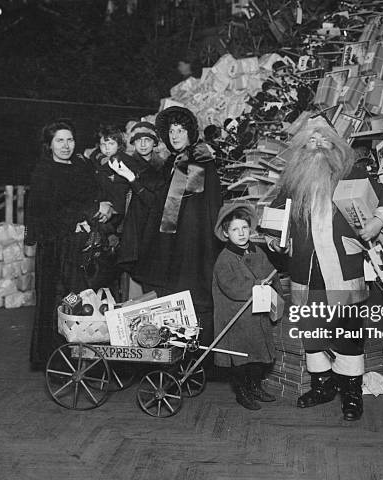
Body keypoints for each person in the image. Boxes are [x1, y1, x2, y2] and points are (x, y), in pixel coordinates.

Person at [270, 119, 383, 420]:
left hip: (343, 266)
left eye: (323, 139)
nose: (317, 145)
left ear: (335, 145)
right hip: (305, 271)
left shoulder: (352, 173)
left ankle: (352, 393)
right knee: (311, 330)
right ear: (302, 148)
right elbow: (276, 216)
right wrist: (274, 238)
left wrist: (376, 222)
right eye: (310, 140)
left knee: (347, 333)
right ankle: (322, 385)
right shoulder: (293, 182)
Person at [25, 118, 113, 371]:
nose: (66, 145)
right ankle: (59, 361)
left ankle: (89, 359)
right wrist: (86, 213)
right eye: (59, 140)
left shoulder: (81, 166)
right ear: (49, 145)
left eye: (70, 139)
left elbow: (94, 195)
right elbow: (46, 214)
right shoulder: (43, 172)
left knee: (86, 299)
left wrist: (102, 207)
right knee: (60, 300)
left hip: (81, 246)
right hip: (56, 249)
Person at [139, 106, 222, 348]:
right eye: (171, 131)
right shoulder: (174, 162)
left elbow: (190, 206)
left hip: (193, 242)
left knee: (191, 297)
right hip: (177, 241)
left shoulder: (198, 159)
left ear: (190, 132)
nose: (175, 136)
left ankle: (190, 356)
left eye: (180, 130)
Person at [212, 204, 281, 410]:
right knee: (241, 357)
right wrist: (255, 285)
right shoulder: (224, 259)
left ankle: (254, 385)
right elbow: (231, 287)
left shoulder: (256, 250)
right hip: (236, 316)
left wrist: (272, 286)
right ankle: (242, 391)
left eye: (244, 228)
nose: (241, 234)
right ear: (225, 233)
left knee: (259, 355)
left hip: (256, 313)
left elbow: (271, 273)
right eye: (235, 230)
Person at [109, 122, 167, 278]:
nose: (142, 144)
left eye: (147, 140)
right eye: (138, 140)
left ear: (154, 143)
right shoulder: (123, 163)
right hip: (131, 225)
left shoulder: (162, 167)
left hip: (153, 224)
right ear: (133, 143)